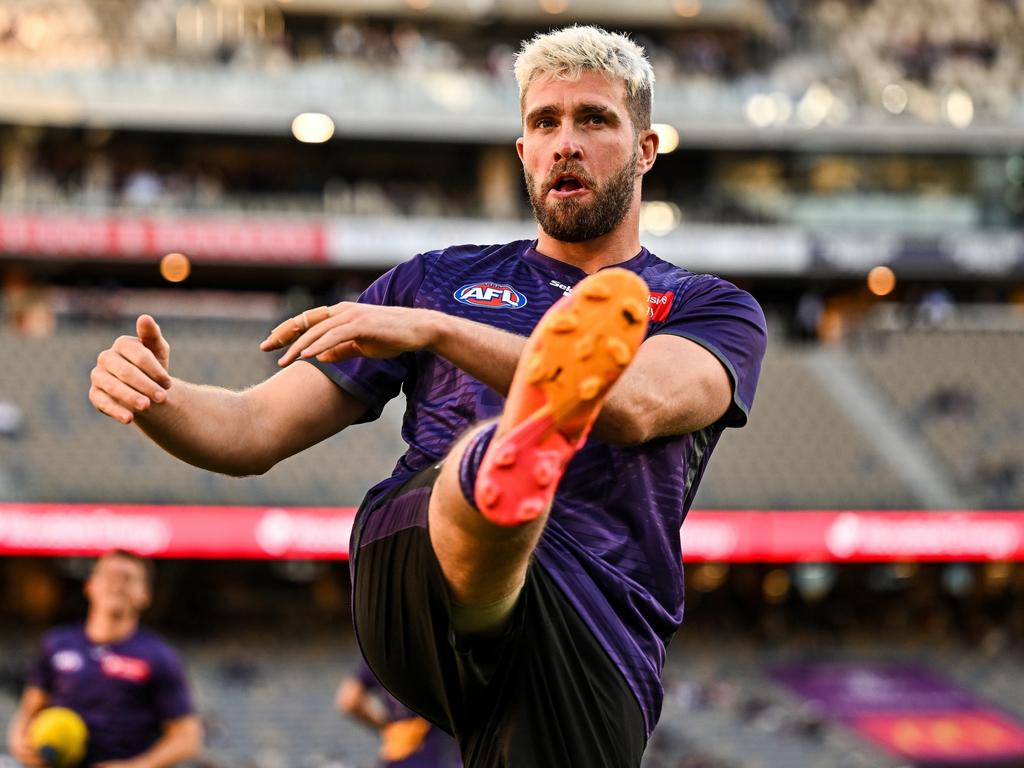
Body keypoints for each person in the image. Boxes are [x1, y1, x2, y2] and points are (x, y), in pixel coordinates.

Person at [86, 25, 766, 766]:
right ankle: (499, 472)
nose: (565, 142)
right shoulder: (433, 281)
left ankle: (506, 464)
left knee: (512, 460)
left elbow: (635, 405)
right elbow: (251, 429)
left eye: (594, 119)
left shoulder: (710, 308)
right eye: (544, 122)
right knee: (467, 475)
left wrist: (439, 334)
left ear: (644, 150)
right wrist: (159, 397)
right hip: (416, 579)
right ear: (523, 153)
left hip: (594, 631)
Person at [6, 550, 203, 767]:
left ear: (145, 594)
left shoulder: (159, 655)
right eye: (109, 575)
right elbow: (30, 708)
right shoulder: (57, 643)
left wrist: (137, 766)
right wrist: (19, 741)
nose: (117, 584)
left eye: (128, 578)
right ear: (90, 586)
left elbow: (187, 736)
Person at [336, 662, 461, 767]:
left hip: (398, 751)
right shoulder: (430, 646)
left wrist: (388, 728)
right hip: (433, 745)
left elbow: (348, 700)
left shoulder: (378, 653)